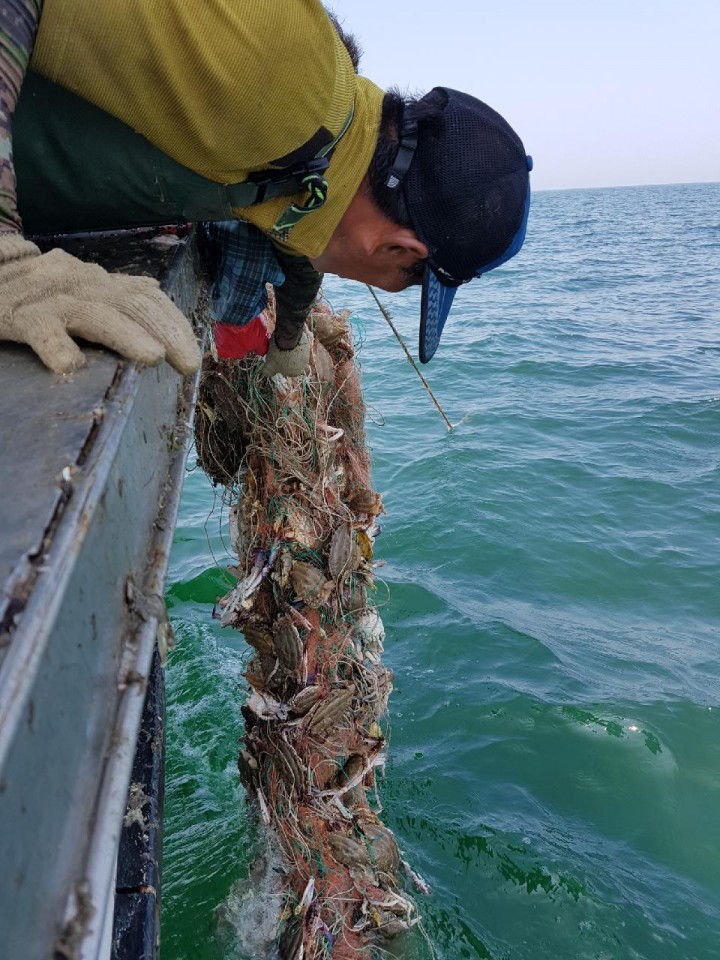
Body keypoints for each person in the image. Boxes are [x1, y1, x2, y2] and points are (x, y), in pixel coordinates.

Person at [0, 0, 532, 378]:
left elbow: (300, 242)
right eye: (407, 283)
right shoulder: (275, 77)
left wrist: (288, 334)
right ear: (397, 249)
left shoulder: (322, 153)